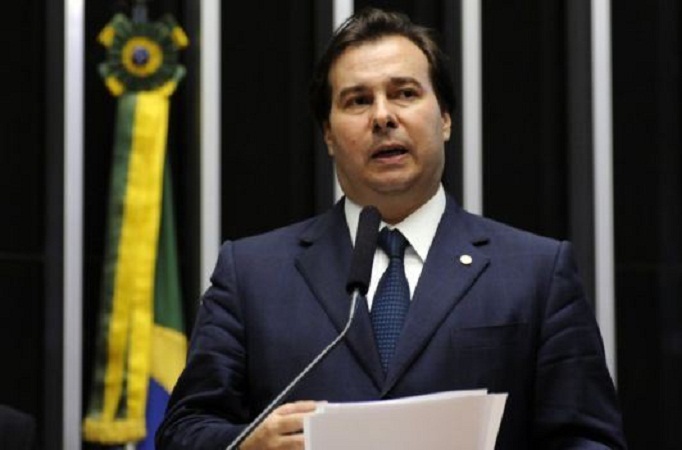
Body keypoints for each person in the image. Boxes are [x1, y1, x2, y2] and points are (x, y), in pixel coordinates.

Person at [157, 7, 626, 450]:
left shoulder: (536, 272)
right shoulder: (252, 275)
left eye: (405, 93)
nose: (383, 116)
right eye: (358, 101)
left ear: (445, 118)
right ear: (328, 134)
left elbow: (589, 439)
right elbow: (183, 430)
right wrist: (246, 445)